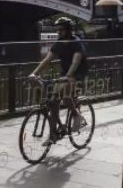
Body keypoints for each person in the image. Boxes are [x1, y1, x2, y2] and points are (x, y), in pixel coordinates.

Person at [28, 17, 89, 145]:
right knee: (52, 101)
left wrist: (67, 76)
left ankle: (76, 115)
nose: (58, 32)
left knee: (63, 93)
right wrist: (34, 73)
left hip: (76, 74)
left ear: (68, 30)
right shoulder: (59, 43)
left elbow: (75, 62)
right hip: (64, 74)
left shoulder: (76, 43)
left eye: (61, 30)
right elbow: (47, 60)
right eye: (57, 30)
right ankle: (54, 133)